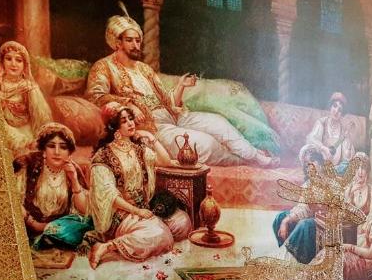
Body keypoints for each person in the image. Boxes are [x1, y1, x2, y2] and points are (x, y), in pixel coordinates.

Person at [85, 10, 275, 167]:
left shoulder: (144, 68)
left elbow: (167, 100)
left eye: (138, 40)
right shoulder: (103, 67)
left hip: (174, 116)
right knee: (205, 144)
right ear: (118, 42)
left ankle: (254, 155)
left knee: (219, 123)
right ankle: (243, 160)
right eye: (130, 40)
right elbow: (95, 96)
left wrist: (181, 87)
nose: (136, 45)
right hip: (152, 127)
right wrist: (128, 105)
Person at [87, 106, 192, 268]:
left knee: (183, 223)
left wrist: (150, 136)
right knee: (162, 236)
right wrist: (136, 211)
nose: (131, 123)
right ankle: (107, 246)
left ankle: (148, 232)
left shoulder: (138, 149)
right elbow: (110, 196)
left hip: (144, 207)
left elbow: (165, 161)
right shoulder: (103, 156)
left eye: (131, 118)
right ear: (114, 127)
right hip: (121, 214)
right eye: (124, 121)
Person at [13, 123, 92, 250]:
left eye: (63, 147)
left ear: (69, 152)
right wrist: (33, 224)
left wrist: (74, 180)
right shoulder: (28, 163)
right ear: (43, 150)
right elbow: (13, 199)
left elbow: (84, 211)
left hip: (59, 229)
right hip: (26, 227)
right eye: (51, 146)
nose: (57, 152)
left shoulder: (73, 169)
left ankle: (50, 237)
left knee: (87, 224)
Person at [0, 41, 52, 157]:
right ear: (2, 62)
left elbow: (41, 118)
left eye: (18, 60)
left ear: (25, 65)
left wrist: (39, 141)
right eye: (8, 59)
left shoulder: (29, 88)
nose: (13, 64)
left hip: (23, 136)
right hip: (0, 136)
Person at [299, 92, 355, 172]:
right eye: (334, 106)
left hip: (335, 168)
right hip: (320, 163)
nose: (336, 111)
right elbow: (311, 138)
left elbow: (347, 156)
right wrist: (323, 148)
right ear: (330, 106)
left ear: (342, 114)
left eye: (340, 110)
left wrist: (348, 138)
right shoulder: (322, 122)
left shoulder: (343, 129)